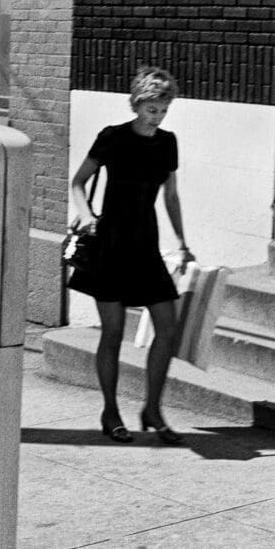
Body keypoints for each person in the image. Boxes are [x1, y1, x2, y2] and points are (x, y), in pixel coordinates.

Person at [68, 66, 195, 445]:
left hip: (146, 246)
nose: (158, 116)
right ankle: (110, 412)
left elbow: (170, 196)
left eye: (164, 109)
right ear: (137, 105)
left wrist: (183, 243)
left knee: (167, 329)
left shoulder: (167, 143)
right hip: (110, 244)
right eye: (152, 108)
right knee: (113, 332)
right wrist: (87, 216)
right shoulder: (112, 138)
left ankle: (152, 409)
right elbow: (78, 182)